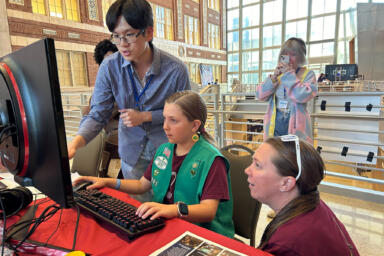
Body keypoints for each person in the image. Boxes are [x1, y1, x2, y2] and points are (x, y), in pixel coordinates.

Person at [68, 0, 191, 202]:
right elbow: (98, 114)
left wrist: (146, 116)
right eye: (116, 36)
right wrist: (76, 143)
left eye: (129, 35)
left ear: (148, 33)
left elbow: (187, 115)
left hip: (169, 153)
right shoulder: (109, 68)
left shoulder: (175, 70)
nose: (122, 44)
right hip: (132, 154)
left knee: (170, 208)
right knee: (140, 211)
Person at [74, 91, 235, 238]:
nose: (165, 126)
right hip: (170, 226)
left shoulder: (212, 160)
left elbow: (208, 210)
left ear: (195, 125)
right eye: (165, 118)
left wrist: (173, 209)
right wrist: (107, 182)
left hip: (203, 236)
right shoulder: (165, 149)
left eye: (173, 120)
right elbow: (141, 185)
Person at [245, 135, 360, 255]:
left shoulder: (287, 245)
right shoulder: (312, 204)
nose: (247, 170)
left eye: (257, 165)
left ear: (286, 183)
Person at [256, 37, 317, 143]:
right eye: (285, 54)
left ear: (301, 57)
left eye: (293, 54)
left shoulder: (309, 75)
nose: (289, 58)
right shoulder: (279, 74)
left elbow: (301, 96)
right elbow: (260, 95)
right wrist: (273, 78)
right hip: (275, 123)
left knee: (294, 156)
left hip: (296, 126)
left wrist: (289, 74)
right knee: (275, 156)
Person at [81, 40, 120, 177]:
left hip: (128, 143)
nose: (111, 66)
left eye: (113, 60)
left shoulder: (126, 83)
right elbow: (92, 114)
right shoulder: (103, 87)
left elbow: (99, 112)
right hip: (111, 143)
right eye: (106, 62)